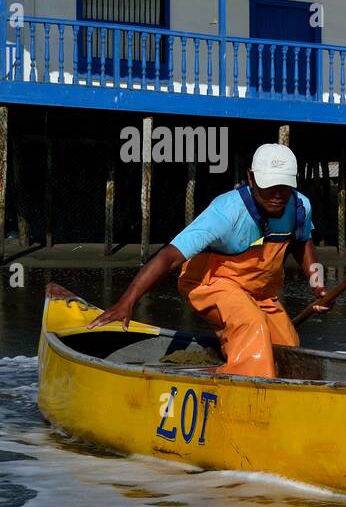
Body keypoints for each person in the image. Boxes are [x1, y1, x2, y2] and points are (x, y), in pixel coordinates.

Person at [90, 143, 331, 378]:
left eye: (284, 186)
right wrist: (127, 301)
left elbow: (303, 245)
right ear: (251, 177)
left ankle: (249, 364)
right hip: (211, 283)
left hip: (260, 293)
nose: (277, 195)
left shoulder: (300, 206)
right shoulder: (225, 213)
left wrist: (318, 286)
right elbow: (169, 256)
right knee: (251, 324)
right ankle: (247, 386)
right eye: (269, 186)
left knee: (288, 345)